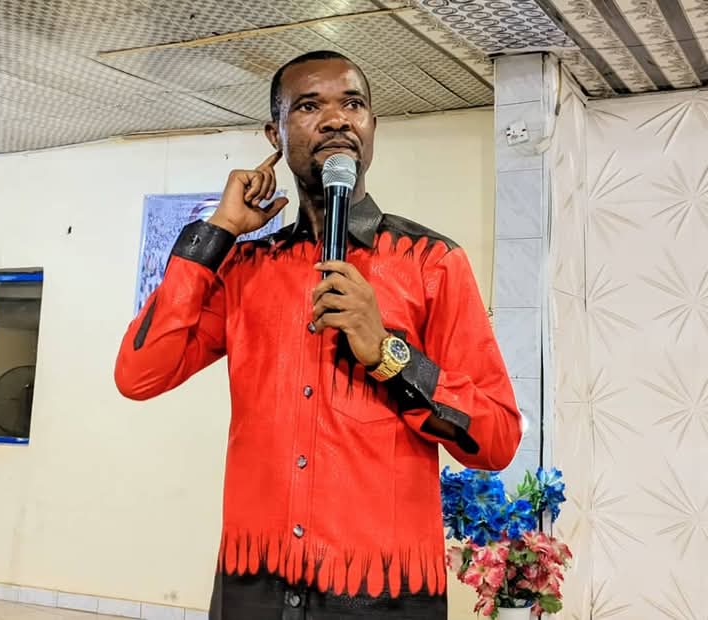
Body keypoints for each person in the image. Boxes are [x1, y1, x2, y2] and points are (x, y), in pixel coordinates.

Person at [115, 50, 522, 620]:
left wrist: (389, 354)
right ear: (275, 135)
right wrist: (220, 230)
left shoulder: (431, 263)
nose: (336, 120)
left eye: (352, 104)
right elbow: (139, 376)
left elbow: (498, 439)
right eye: (309, 107)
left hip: (383, 597)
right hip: (252, 590)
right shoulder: (245, 269)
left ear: (372, 127)